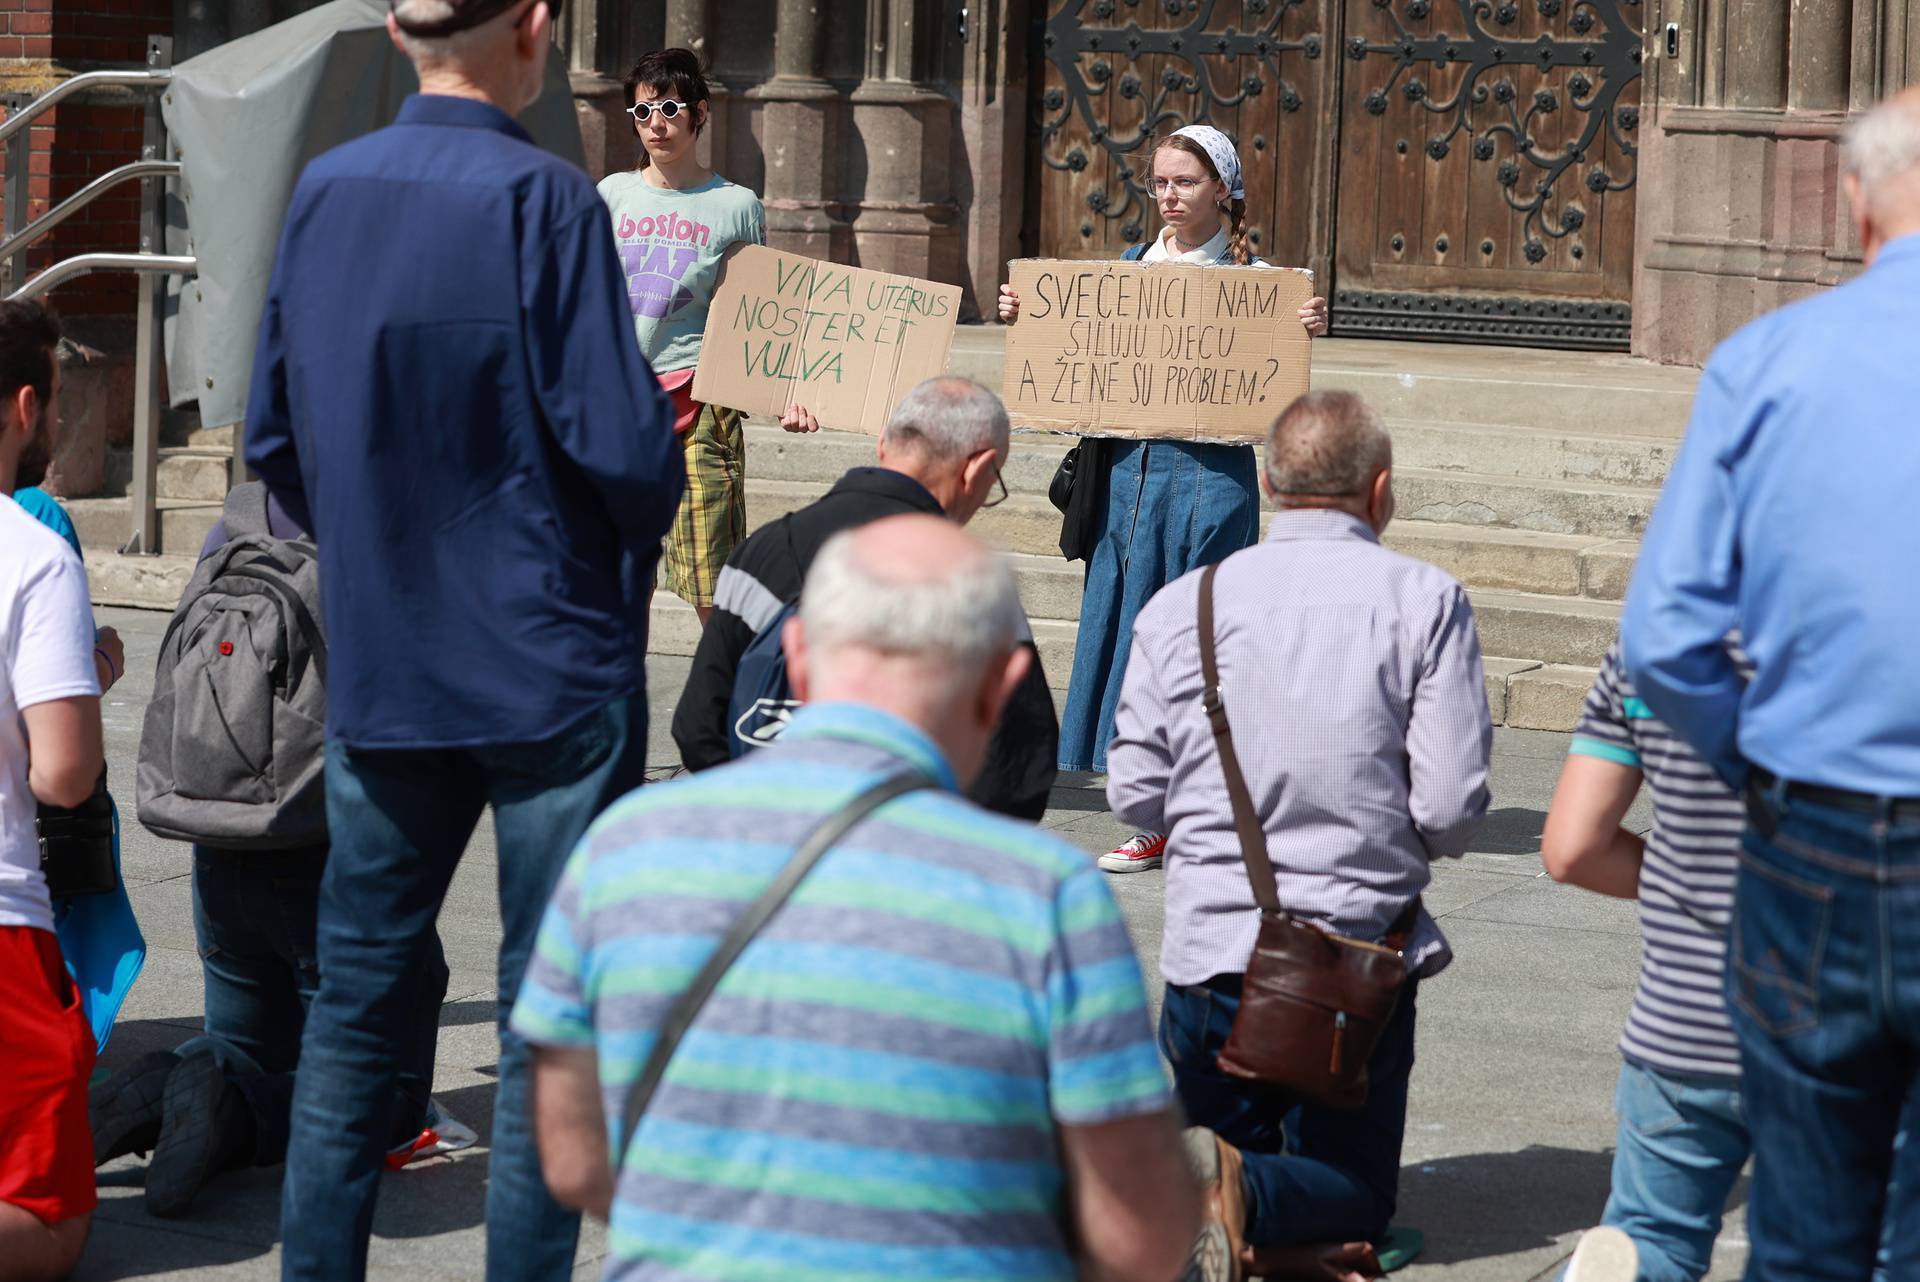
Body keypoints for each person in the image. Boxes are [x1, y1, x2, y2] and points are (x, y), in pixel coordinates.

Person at [240, 0, 684, 1274]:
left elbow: (273, 438)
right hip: (548, 661)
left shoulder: (328, 189)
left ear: (393, 28)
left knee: (356, 1019)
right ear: (536, 27)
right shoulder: (546, 198)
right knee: (550, 1026)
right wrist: (616, 564)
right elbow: (619, 442)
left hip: (393, 665)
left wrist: (381, 549)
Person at [513, 514, 1208, 1282]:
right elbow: (1140, 1236)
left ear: (798, 658)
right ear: (1003, 687)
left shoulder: (623, 849)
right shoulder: (1046, 898)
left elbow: (572, 1160)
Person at [1620, 87, 1920, 1282]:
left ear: (1853, 204)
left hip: (1817, 832)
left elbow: (1668, 631)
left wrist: (1763, 756)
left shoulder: (1767, 363)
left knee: (1804, 1227)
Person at [1106, 390, 1491, 1281]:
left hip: (1211, 954)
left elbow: (1132, 795)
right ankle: (1248, 1201)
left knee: (1208, 1181)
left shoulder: (1184, 603)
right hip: (1355, 958)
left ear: (1269, 482)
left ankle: (1214, 1194)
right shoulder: (1425, 601)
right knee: (1355, 1190)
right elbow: (1450, 808)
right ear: (1381, 490)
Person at [89, 484, 461, 1220]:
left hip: (221, 840)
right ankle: (225, 1108)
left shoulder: (238, 519)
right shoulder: (396, 521)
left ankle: (169, 1084)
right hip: (330, 856)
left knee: (245, 1053)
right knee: (382, 1095)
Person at [999, 123, 1329, 874]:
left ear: (1223, 189)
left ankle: (1179, 811)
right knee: (1127, 639)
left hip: (1207, 492)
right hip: (1124, 488)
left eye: (1186, 181)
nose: (1170, 196)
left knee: (1192, 652)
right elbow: (1070, 353)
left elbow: (1272, 382)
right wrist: (1029, 319)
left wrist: (1306, 326)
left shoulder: (1261, 285)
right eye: (1160, 182)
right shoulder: (1125, 272)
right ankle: (1159, 806)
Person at [670, 376, 1058, 819]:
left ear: (882, 445)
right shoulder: (972, 581)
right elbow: (1024, 767)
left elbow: (698, 726)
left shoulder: (763, 552)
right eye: (995, 484)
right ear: (976, 468)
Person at [1542, 640, 1749, 1282]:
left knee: (1652, 1240)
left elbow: (1572, 849)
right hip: (1857, 1022)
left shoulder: (1652, 647)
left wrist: (1681, 881)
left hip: (1682, 1019)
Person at [603, 47, 818, 624]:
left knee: (714, 588)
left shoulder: (734, 206)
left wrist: (790, 390)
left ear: (699, 114)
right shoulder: (610, 196)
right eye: (643, 112)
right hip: (619, 412)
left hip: (701, 408)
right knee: (620, 587)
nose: (657, 124)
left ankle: (727, 707)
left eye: (671, 109)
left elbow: (762, 311)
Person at [0, 298, 103, 1282]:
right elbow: (63, 774)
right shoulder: (35, 554)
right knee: (51, 1218)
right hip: (2, 929)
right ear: (26, 407)